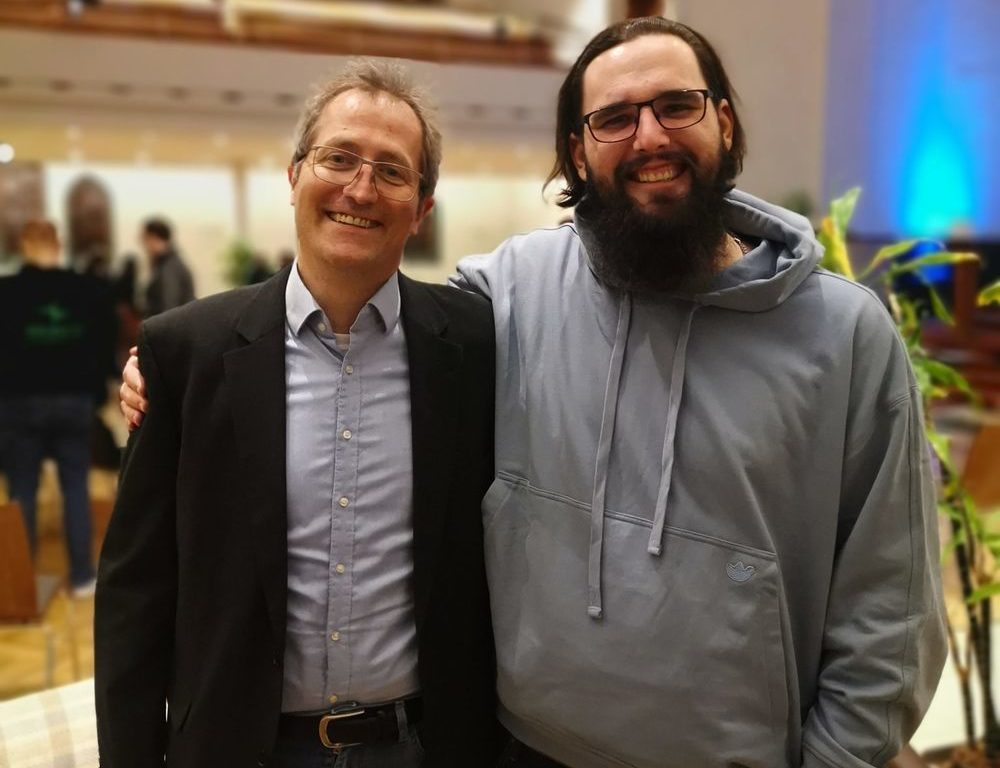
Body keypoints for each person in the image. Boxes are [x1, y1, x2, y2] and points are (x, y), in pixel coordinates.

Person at [122, 18, 948, 768]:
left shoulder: (846, 334)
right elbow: (371, 316)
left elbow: (891, 612)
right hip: (522, 752)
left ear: (724, 122)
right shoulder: (515, 290)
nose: (649, 136)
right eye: (614, 118)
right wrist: (180, 367)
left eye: (676, 106)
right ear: (578, 151)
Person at [97, 60, 500, 768]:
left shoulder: (473, 346)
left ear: (422, 209)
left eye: (392, 171)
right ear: (294, 176)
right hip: (236, 747)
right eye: (338, 158)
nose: (360, 189)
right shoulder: (186, 352)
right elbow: (136, 593)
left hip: (420, 745)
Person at [0, 219, 116, 596]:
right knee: (76, 488)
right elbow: (105, 343)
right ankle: (82, 577)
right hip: (73, 400)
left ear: (23, 246)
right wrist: (96, 391)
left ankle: (23, 582)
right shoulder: (85, 291)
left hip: (18, 402)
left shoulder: (7, 293)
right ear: (58, 244)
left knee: (22, 489)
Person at [139, 216, 195, 316]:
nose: (144, 245)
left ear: (154, 238)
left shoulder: (169, 267)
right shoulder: (168, 263)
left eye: (146, 239)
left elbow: (169, 307)